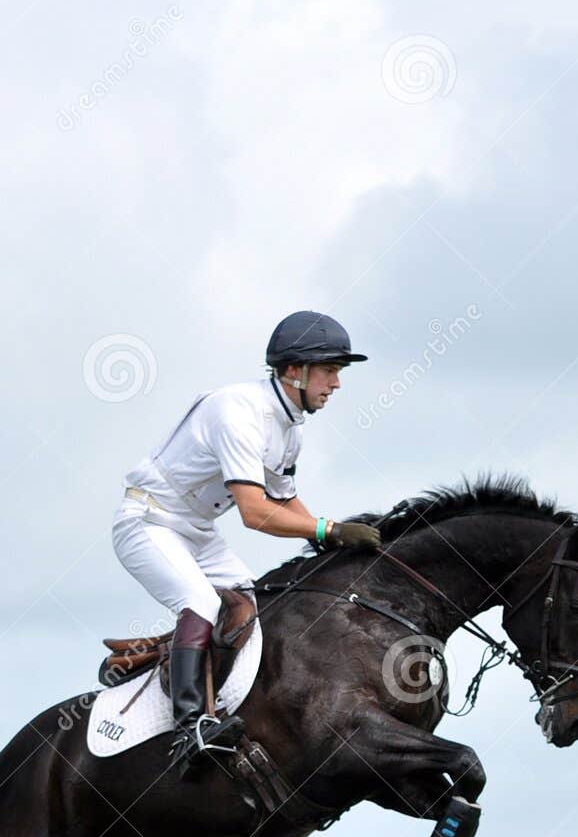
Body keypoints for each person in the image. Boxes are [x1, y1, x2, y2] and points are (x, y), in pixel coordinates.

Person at [112, 310, 382, 773]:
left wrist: (334, 542)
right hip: (148, 522)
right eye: (330, 370)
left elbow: (286, 501)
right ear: (294, 370)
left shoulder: (289, 430)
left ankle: (185, 669)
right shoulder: (238, 412)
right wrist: (330, 530)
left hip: (196, 530)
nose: (337, 383)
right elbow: (256, 514)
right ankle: (191, 726)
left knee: (249, 604)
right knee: (201, 601)